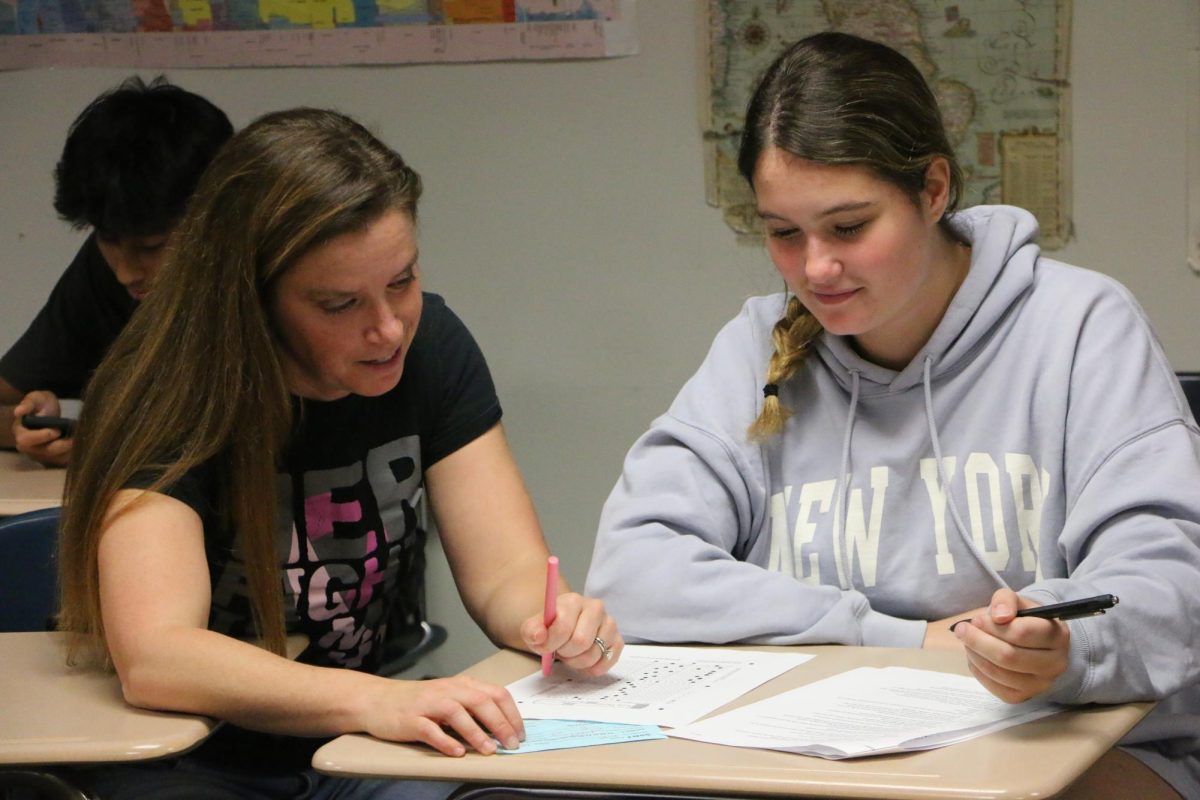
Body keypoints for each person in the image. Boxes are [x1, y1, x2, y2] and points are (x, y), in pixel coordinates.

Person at [586, 32, 1200, 800]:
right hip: (826, 760)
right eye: (783, 233)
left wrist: (1062, 640)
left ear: (933, 189)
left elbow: (1169, 585)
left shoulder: (1081, 327)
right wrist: (896, 638)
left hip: (1069, 748)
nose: (815, 269)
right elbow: (633, 570)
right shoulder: (758, 346)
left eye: (849, 227)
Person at [56, 107, 624, 799]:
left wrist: (552, 620)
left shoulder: (433, 347)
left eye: (402, 282)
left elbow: (506, 569)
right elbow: (158, 655)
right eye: (337, 304)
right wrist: (376, 701)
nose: (388, 329)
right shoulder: (167, 390)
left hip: (358, 746)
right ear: (253, 303)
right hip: (193, 758)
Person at [0, 76, 233, 466]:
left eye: (152, 246)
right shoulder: (102, 273)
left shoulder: (278, 276)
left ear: (220, 218)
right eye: (108, 240)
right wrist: (29, 427)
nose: (126, 274)